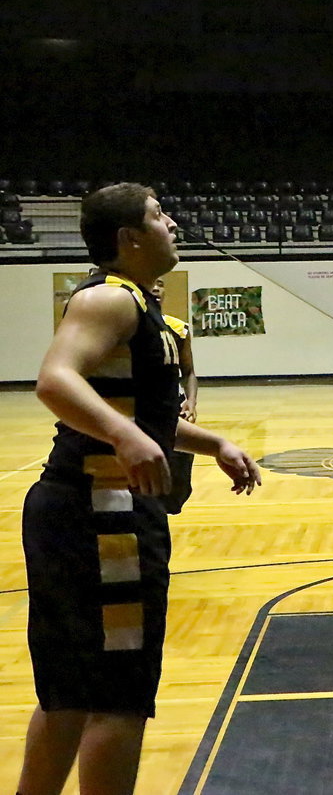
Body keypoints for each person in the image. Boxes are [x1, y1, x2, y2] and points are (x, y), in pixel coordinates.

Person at [18, 183, 261, 795]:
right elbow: (53, 380)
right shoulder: (110, 299)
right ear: (129, 238)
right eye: (158, 215)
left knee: (70, 692)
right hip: (103, 516)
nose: (172, 223)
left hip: (78, 510)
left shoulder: (139, 306)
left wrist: (214, 444)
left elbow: (145, 417)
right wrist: (125, 437)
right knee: (118, 695)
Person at [149, 277, 199, 514]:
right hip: (148, 409)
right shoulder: (130, 325)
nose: (157, 288)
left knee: (179, 481)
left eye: (161, 283)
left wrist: (191, 402)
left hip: (175, 408)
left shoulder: (178, 328)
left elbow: (189, 372)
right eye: (152, 284)